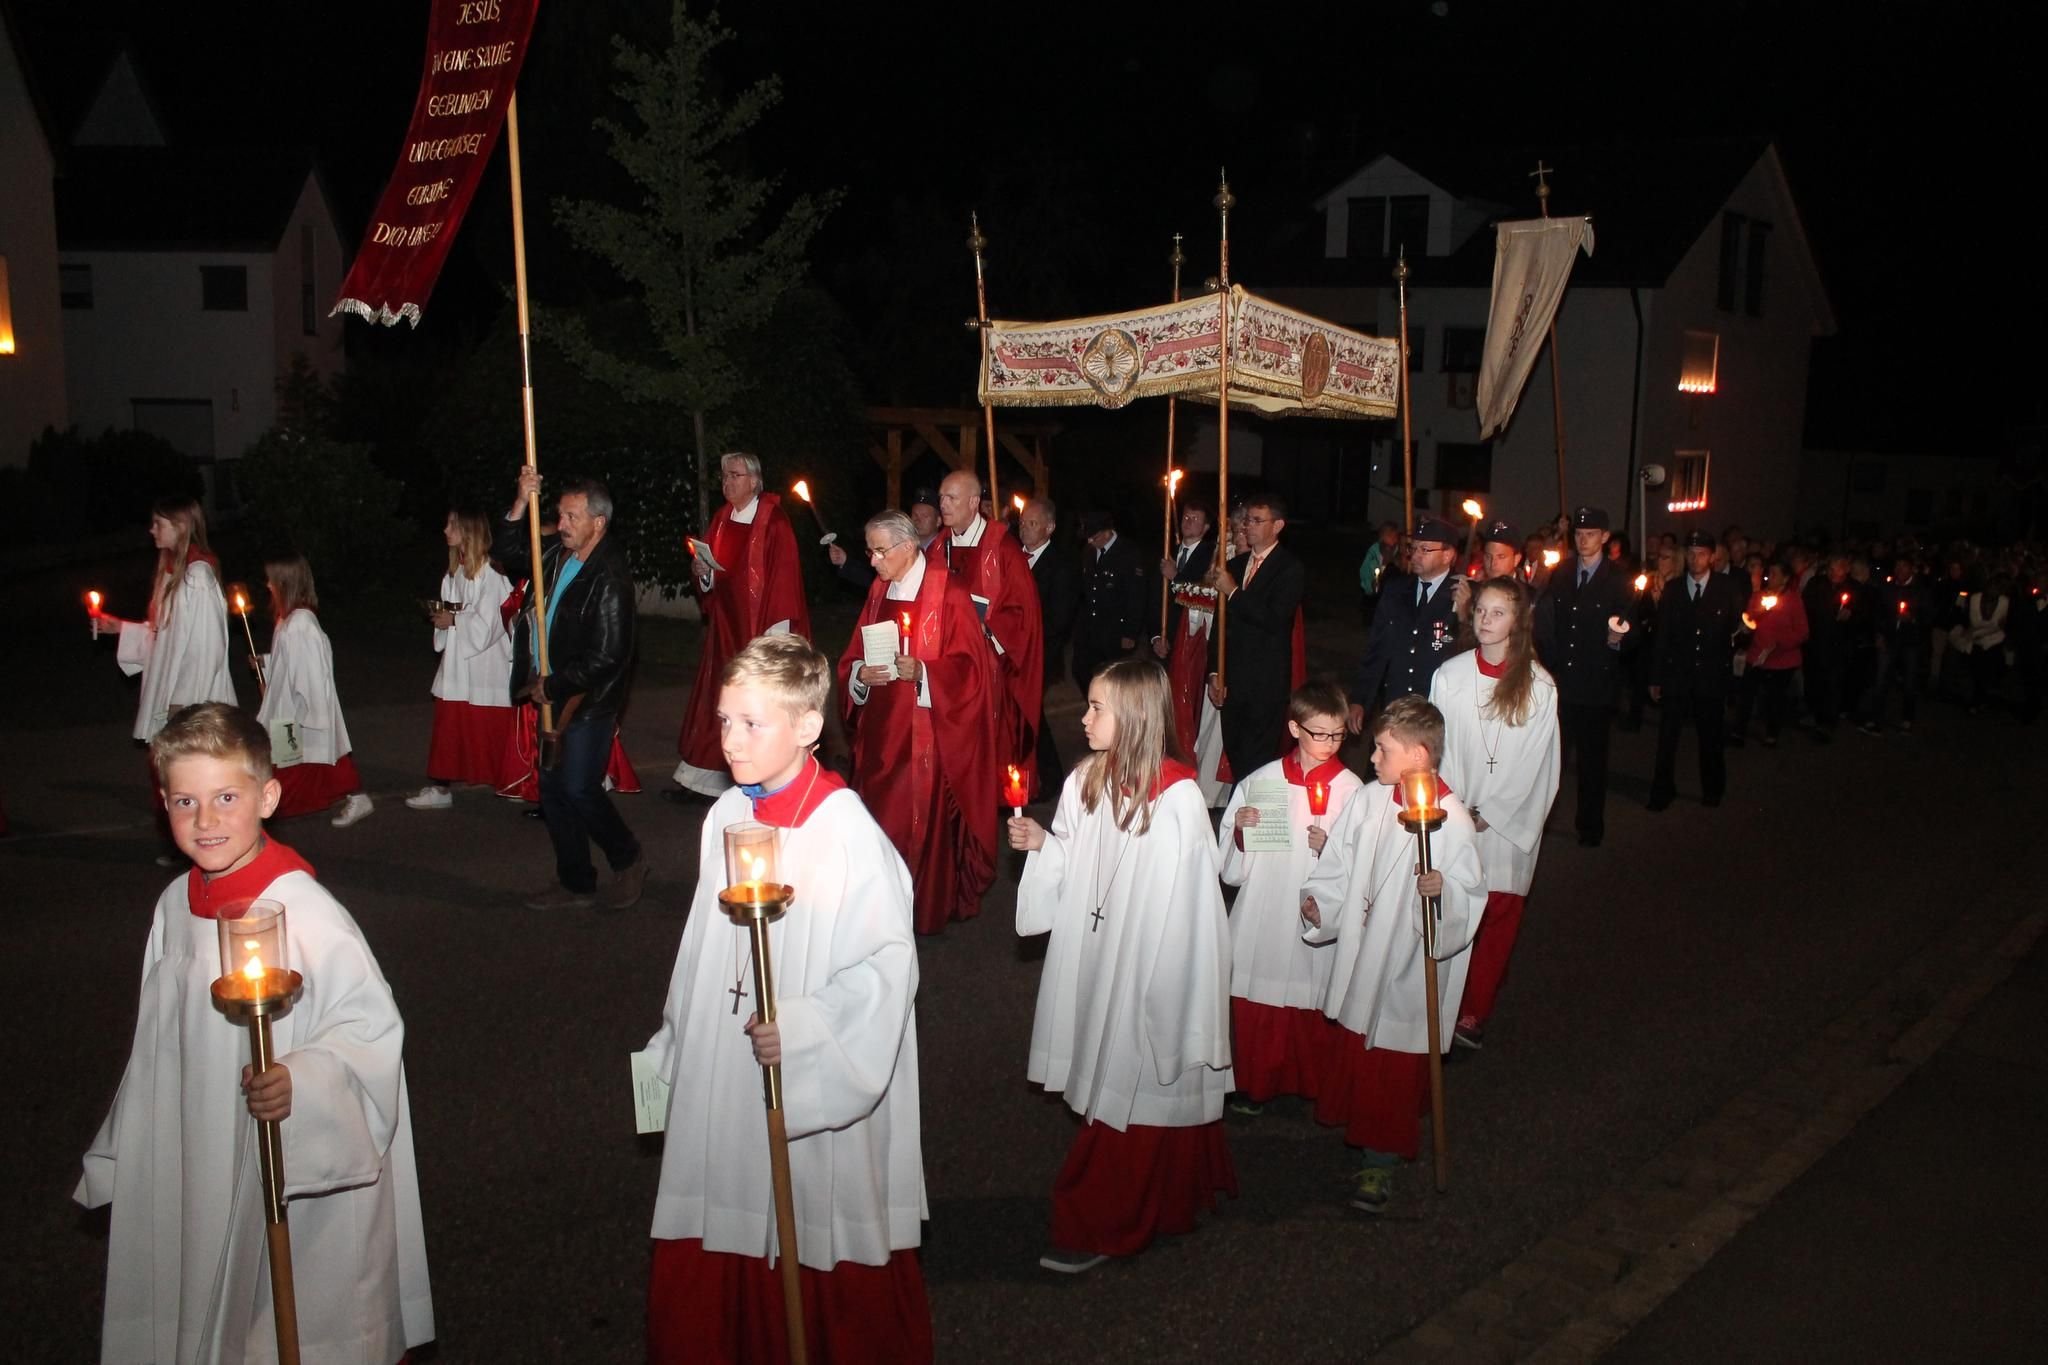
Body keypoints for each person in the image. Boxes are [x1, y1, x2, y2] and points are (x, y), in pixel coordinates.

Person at [78, 703, 433, 1362]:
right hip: (201, 1144)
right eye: (185, 800)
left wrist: (301, 1078)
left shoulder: (308, 913)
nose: (205, 819)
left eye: (225, 797)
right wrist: (133, 1141)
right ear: (163, 803)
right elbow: (158, 1042)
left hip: (283, 1155)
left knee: (274, 1318)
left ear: (267, 795)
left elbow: (370, 1031)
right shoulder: (173, 907)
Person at [643, 635, 929, 1363]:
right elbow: (703, 952)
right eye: (724, 719)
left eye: (751, 722)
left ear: (806, 726)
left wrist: (803, 1028)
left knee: (805, 1225)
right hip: (723, 1061)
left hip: (803, 1076)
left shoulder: (845, 833)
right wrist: (679, 1040)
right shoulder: (726, 817)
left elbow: (885, 967)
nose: (729, 740)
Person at [1008, 659, 1235, 1274]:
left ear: (1133, 716)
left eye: (1097, 708)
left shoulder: (1180, 799)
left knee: (1134, 1095)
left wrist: (1162, 993)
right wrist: (1042, 846)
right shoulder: (1086, 778)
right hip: (1099, 951)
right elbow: (1074, 857)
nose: (1082, 719)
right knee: (1117, 1081)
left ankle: (1107, 1220)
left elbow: (1189, 907)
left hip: (1147, 966)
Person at [1301, 696, 1484, 1214]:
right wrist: (1320, 904)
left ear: (1420, 756)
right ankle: (1360, 1134)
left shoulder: (1451, 820)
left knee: (1392, 1069)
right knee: (1360, 1049)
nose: (1373, 758)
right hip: (1365, 947)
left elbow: (1469, 897)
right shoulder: (1370, 799)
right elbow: (1338, 862)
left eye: (1383, 749)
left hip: (1406, 961)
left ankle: (1380, 1164)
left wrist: (1442, 891)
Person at [839, 510, 1000, 934]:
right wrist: (860, 675)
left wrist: (925, 673)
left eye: (879, 551)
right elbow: (853, 655)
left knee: (910, 821)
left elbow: (971, 670)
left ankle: (913, 909)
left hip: (926, 735)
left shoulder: (949, 593)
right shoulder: (879, 590)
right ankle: (874, 906)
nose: (872, 562)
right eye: (870, 551)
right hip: (879, 734)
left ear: (908, 547)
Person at [499, 467, 648, 910]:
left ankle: (628, 857)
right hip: (554, 692)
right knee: (553, 788)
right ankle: (575, 881)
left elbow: (609, 655)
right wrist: (522, 500)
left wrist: (556, 684)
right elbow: (507, 549)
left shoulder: (610, 578)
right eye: (560, 515)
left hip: (586, 701)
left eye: (571, 517)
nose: (560, 525)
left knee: (579, 787)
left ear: (598, 523)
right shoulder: (556, 555)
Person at [1217, 682, 1362, 1110]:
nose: (1330, 744)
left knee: (1310, 1000)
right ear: (1295, 728)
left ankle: (1311, 1085)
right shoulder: (1262, 782)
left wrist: (1331, 845)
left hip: (1315, 913)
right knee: (1259, 1000)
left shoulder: (1353, 792)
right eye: (1320, 734)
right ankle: (1254, 1085)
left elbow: (1364, 861)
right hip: (1266, 904)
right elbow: (1231, 867)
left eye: (1338, 735)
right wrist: (1240, 830)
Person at [1430, 578, 1561, 1048]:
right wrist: (1453, 802)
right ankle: (1441, 1000)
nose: (1485, 621)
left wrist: (1494, 810)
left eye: (1498, 613)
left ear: (1518, 621)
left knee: (1498, 916)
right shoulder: (1449, 676)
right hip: (1457, 810)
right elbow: (1436, 747)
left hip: (1506, 824)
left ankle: (1474, 1011)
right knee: (1455, 909)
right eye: (1481, 611)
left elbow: (1539, 763)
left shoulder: (1539, 687)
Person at [672, 452, 812, 800]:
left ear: (754, 480)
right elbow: (714, 572)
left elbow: (783, 580)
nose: (727, 481)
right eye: (723, 475)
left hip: (758, 631)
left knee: (754, 708)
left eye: (734, 475)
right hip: (725, 628)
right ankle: (704, 779)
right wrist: (703, 576)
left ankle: (760, 778)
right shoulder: (722, 518)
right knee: (718, 700)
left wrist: (774, 643)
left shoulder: (773, 522)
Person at [927, 470, 1045, 800]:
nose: (943, 505)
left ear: (974, 502)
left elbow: (1023, 613)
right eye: (941, 498)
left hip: (989, 666)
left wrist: (987, 630)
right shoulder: (939, 546)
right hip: (947, 664)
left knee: (985, 751)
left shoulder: (1003, 550)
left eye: (951, 498)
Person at [92, 495, 238, 742]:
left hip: (192, 699)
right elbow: (166, 637)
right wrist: (122, 629)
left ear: (180, 526)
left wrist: (185, 704)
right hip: (171, 692)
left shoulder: (198, 577)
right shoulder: (170, 573)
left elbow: (206, 649)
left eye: (158, 524)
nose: (151, 530)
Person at [1534, 506, 1633, 847]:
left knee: (1592, 763)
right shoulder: (1561, 572)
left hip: (1596, 685)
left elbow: (1631, 625)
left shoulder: (1618, 578)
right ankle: (1540, 825)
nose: (1583, 540)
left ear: (1605, 537)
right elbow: (1547, 619)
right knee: (1551, 763)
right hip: (1562, 680)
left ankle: (1590, 827)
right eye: (1578, 534)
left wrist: (1621, 638)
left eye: (1590, 534)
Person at [253, 552, 373, 827]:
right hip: (291, 710)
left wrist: (305, 714)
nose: (268, 585)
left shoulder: (300, 625)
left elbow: (307, 674)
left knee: (308, 763)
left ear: (285, 582)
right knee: (307, 762)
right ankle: (352, 796)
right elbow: (289, 664)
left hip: (296, 711)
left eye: (272, 580)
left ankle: (353, 796)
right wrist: (266, 664)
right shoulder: (288, 621)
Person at [409, 508, 516, 810]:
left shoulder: (493, 574)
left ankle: (513, 781)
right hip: (457, 666)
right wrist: (444, 620)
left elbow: (491, 624)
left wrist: (453, 621)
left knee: (489, 732)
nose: (445, 530)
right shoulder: (453, 573)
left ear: (469, 530)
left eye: (452, 524)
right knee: (449, 728)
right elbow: (458, 614)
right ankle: (440, 787)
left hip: (485, 668)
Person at [1208, 494, 1307, 784]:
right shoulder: (1236, 566)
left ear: (1277, 525)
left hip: (1264, 683)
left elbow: (1273, 619)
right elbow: (1219, 626)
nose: (1247, 526)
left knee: (1258, 761)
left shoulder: (1289, 568)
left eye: (1256, 520)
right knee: (1236, 753)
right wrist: (1214, 670)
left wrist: (1235, 593)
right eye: (1247, 520)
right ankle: (1239, 813)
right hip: (1232, 680)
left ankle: (1252, 821)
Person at [1648, 529, 1741, 811]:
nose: (1695, 558)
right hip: (1678, 673)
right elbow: (1662, 635)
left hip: (1710, 674)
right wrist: (1656, 676)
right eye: (1690, 553)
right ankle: (1662, 790)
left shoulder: (1725, 588)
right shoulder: (1675, 589)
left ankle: (1713, 788)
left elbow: (1736, 628)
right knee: (1667, 738)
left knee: (1710, 736)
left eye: (1701, 553)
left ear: (1712, 557)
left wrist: (1743, 632)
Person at [1350, 515, 1463, 730]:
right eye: (1414, 548)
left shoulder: (1461, 595)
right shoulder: (1396, 590)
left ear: (1447, 555)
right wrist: (1360, 699)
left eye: (1425, 550)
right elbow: (1377, 648)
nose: (1416, 556)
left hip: (1435, 713)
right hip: (1395, 706)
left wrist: (1465, 615)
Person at [1020, 495, 1080, 796]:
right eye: (1023, 522)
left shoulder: (1060, 566)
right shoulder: (1013, 557)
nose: (1025, 529)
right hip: (1012, 652)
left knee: (1031, 714)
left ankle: (1051, 775)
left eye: (1033, 523)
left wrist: (1030, 643)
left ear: (1049, 527)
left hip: (1040, 653)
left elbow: (1059, 619)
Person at [1153, 500, 1219, 769]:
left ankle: (1183, 756)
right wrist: (1156, 636)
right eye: (1185, 516)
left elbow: (1202, 595)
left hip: (1190, 642)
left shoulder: (1210, 555)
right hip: (1165, 641)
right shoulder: (1169, 551)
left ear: (1205, 527)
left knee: (1184, 702)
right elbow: (1155, 600)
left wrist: (1177, 577)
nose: (1188, 521)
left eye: (1195, 518)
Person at [1073, 506, 1149, 691]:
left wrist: (1130, 632)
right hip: (1091, 628)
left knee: (1110, 679)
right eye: (1088, 537)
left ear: (1108, 532)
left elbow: (1137, 595)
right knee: (1080, 670)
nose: (1090, 540)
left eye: (1095, 536)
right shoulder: (1089, 551)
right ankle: (1096, 708)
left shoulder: (1129, 552)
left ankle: (1109, 714)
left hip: (1114, 630)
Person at [1734, 564, 1809, 746]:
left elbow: (1803, 632)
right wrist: (1753, 618)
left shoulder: (1793, 600)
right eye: (1769, 573)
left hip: (1781, 659)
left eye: (1775, 574)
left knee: (1775, 698)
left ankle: (1772, 733)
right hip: (1757, 656)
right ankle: (1738, 732)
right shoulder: (1759, 596)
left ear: (1785, 578)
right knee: (1746, 694)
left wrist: (1780, 642)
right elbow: (1749, 621)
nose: (1770, 576)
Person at [1860, 555, 1933, 735]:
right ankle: (1875, 719)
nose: (1899, 571)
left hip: (1911, 642)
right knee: (1881, 678)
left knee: (1909, 681)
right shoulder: (1887, 588)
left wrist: (1913, 618)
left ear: (1911, 569)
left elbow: (1929, 617)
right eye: (1897, 567)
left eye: (1903, 567)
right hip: (1889, 638)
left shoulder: (1921, 590)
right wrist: (1879, 633)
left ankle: (1907, 718)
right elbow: (1878, 613)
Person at [1357, 521, 1402, 625]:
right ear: (1384, 536)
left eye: (1395, 536)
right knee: (1371, 605)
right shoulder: (1374, 550)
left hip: (1387, 583)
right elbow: (1366, 569)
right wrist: (1370, 584)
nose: (1395, 539)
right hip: (1373, 583)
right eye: (1392, 536)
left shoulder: (1397, 550)